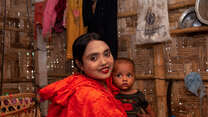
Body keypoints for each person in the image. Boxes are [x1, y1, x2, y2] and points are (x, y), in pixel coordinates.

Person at [39, 33, 127, 117]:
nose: (104, 62)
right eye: (93, 58)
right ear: (80, 64)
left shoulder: (100, 83)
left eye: (107, 54)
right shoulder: (92, 96)